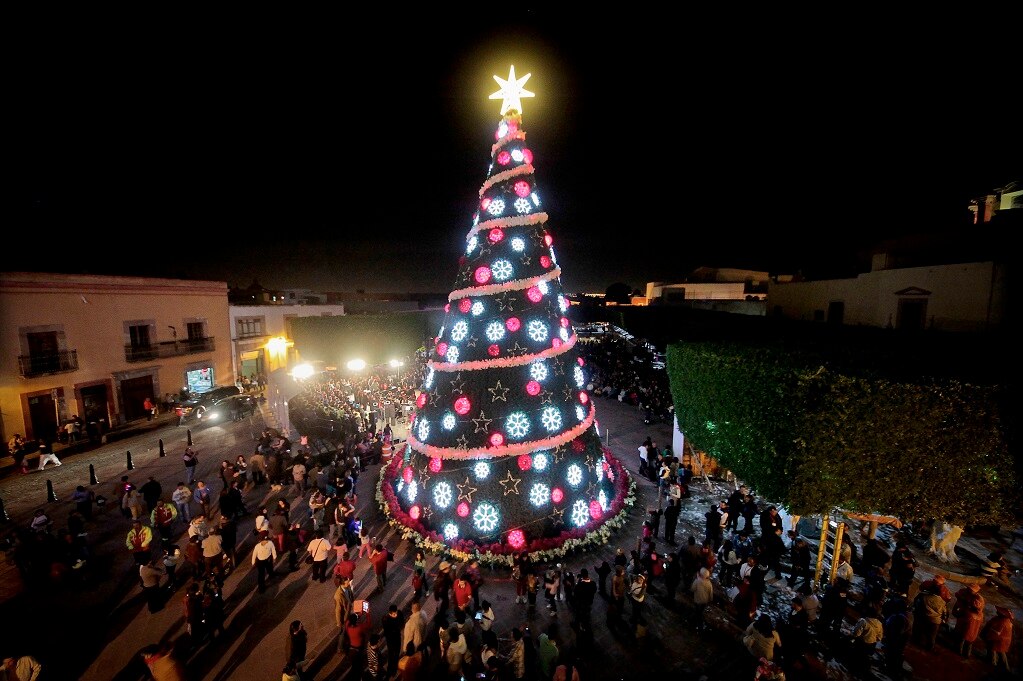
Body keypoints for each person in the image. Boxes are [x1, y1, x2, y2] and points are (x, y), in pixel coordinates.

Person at [951, 582, 984, 658]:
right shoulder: (964, 591)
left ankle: (962, 652)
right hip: (966, 616)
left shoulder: (979, 599)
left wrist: (965, 602)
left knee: (965, 636)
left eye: (971, 590)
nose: (969, 590)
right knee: (963, 634)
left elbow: (978, 609)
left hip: (972, 619)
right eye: (969, 588)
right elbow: (957, 595)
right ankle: (961, 651)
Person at [981, 605, 1013, 670]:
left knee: (994, 651)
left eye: (999, 611)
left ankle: (993, 664)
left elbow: (996, 632)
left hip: (998, 640)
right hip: (1002, 640)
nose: (997, 611)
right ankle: (1004, 667)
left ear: (1002, 614)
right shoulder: (1006, 621)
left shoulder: (1002, 622)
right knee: (1000, 652)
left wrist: (988, 636)